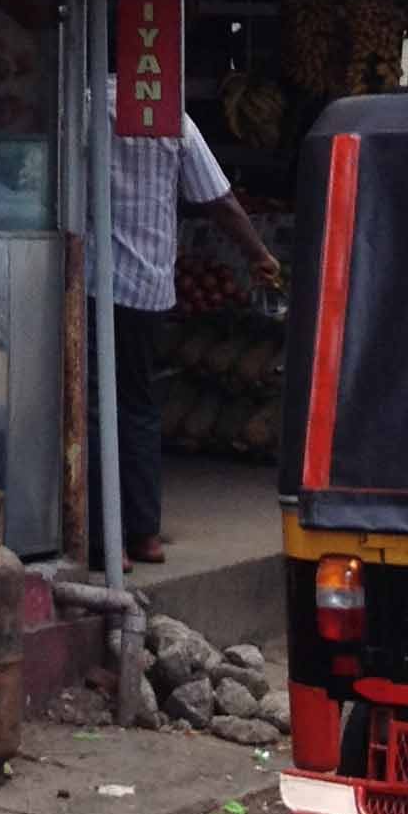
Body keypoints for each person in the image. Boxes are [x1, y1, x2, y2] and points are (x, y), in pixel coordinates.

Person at [97, 91, 280, 565]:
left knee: (95, 409)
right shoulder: (169, 116)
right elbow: (217, 198)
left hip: (95, 283)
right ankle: (143, 535)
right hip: (148, 286)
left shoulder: (84, 104)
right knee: (137, 407)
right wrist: (258, 253)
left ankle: (103, 541)